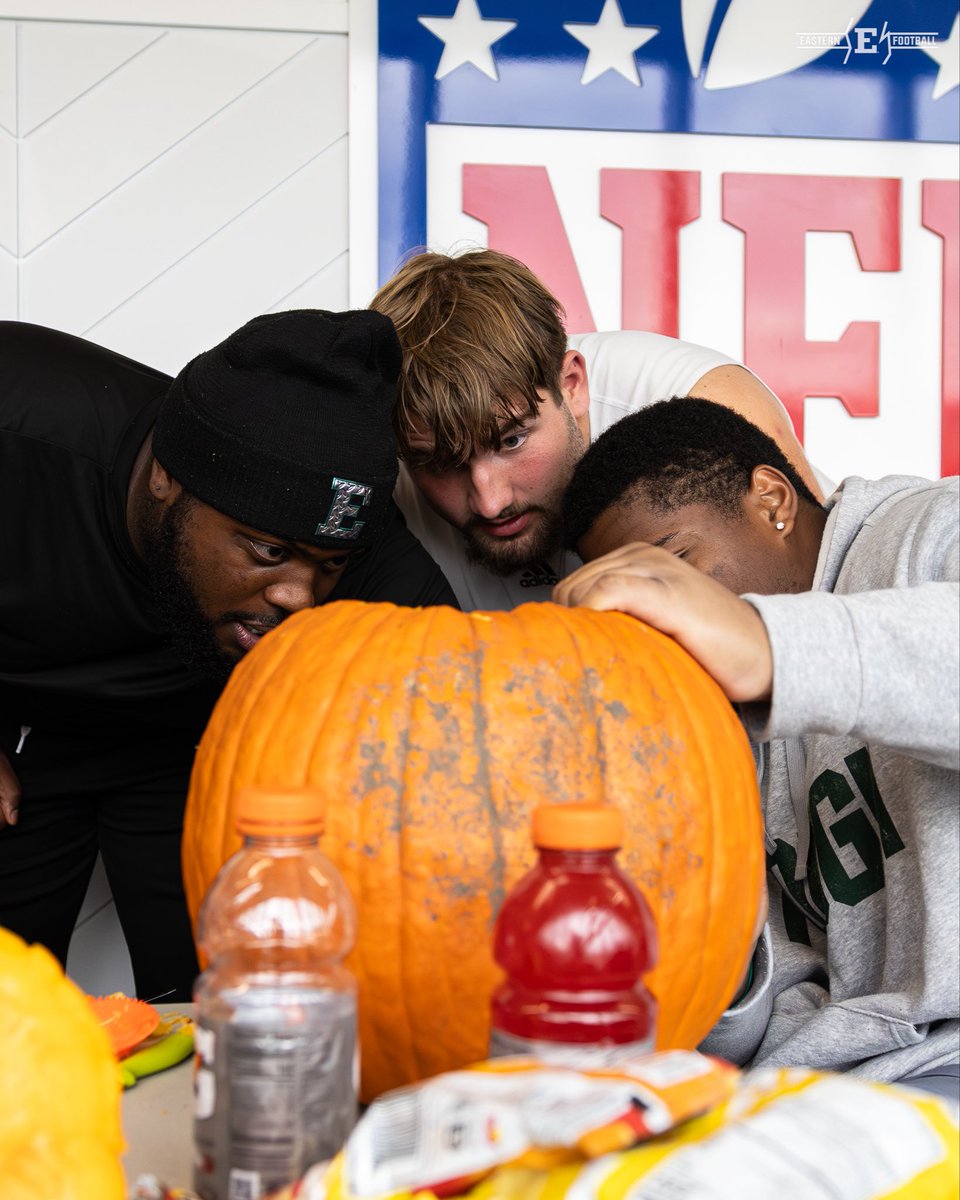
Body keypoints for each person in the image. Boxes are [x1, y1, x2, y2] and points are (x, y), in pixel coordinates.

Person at [0, 309, 456, 1002]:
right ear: (165, 480)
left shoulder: (346, 534)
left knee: (218, 1001)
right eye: (267, 551)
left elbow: (462, 683)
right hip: (22, 726)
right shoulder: (25, 420)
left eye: (327, 565)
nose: (297, 595)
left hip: (185, 743)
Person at [554, 395, 959, 1102]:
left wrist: (765, 641)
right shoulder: (711, 720)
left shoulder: (926, 531)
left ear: (772, 501)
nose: (667, 617)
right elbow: (753, 1028)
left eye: (673, 570)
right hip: (826, 1098)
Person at [371, 247, 829, 611]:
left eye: (511, 441)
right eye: (441, 465)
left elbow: (818, 598)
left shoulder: (701, 401)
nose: (490, 502)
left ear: (571, 385)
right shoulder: (387, 466)